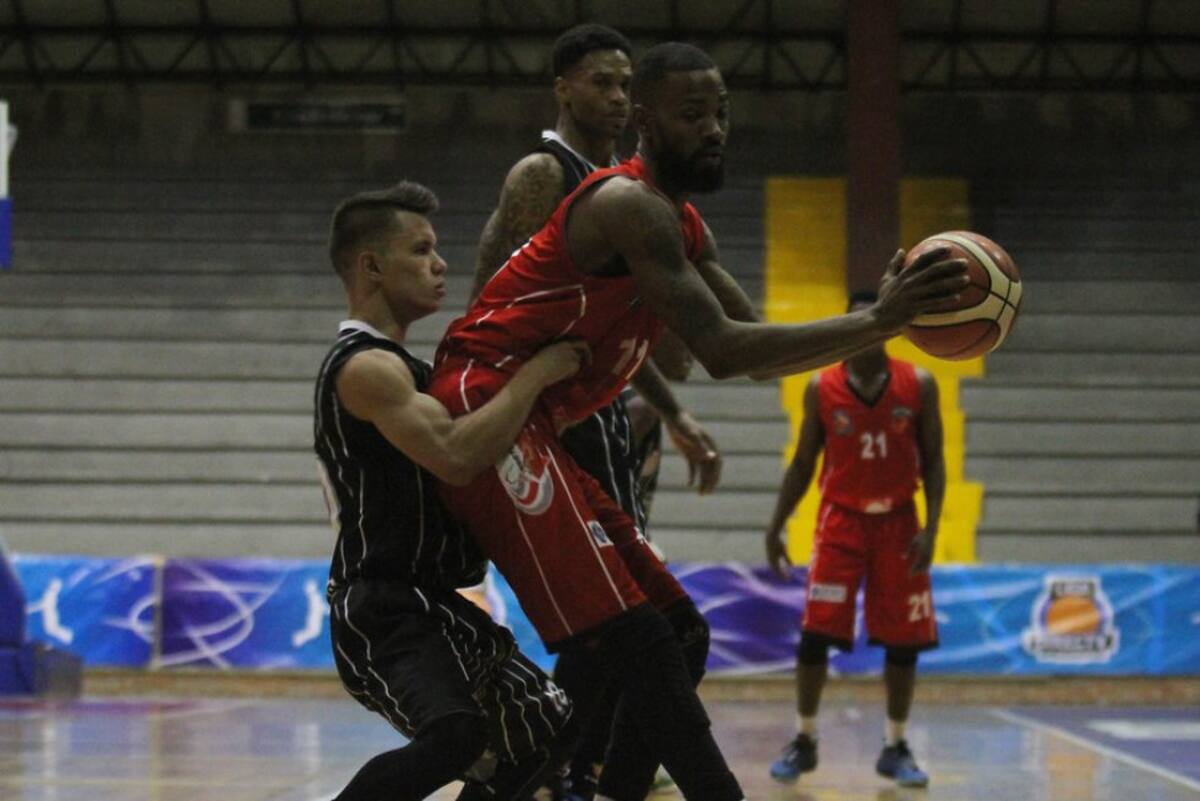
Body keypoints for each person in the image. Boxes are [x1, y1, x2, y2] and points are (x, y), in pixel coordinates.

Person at [428, 41, 968, 801]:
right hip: (485, 403)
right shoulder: (622, 204)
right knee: (635, 638)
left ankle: (578, 784)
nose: (715, 128)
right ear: (645, 123)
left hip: (541, 423)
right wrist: (880, 320)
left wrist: (880, 323)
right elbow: (720, 349)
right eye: (694, 115)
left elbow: (750, 347)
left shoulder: (677, 223)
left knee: (678, 632)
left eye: (722, 113)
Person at [472, 24, 715, 801]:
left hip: (602, 416)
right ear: (563, 90)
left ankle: (577, 767)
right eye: (601, 83)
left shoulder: (631, 191)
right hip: (552, 424)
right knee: (626, 620)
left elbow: (629, 335)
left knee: (627, 623)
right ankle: (554, 767)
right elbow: (509, 308)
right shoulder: (547, 174)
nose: (616, 98)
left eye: (624, 86)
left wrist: (670, 413)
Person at [314, 181, 590, 801]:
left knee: (550, 733)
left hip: (435, 600)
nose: (440, 264)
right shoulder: (365, 368)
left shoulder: (411, 370)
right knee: (456, 735)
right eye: (422, 250)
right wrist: (538, 373)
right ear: (372, 266)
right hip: (383, 605)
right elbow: (459, 456)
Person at [763, 292, 945, 788]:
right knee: (817, 632)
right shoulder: (822, 387)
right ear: (850, 324)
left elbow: (933, 462)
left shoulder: (920, 384)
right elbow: (803, 464)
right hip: (841, 522)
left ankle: (896, 744)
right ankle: (803, 739)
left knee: (904, 641)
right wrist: (776, 525)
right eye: (862, 319)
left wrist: (932, 528)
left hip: (900, 522)